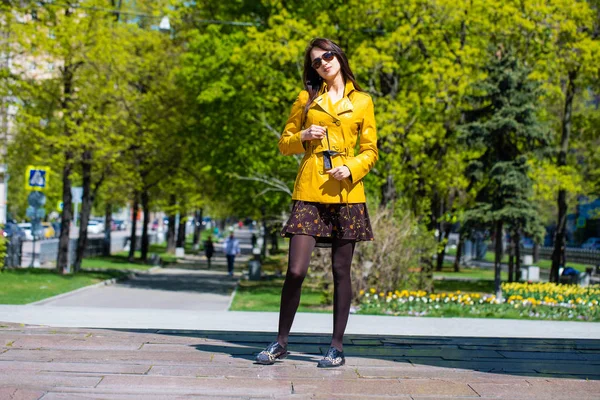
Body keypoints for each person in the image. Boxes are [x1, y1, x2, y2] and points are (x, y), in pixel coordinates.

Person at [256, 38, 378, 368]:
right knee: (295, 270)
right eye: (316, 61)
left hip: (347, 193)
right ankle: (281, 342)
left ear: (339, 57)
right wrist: (303, 137)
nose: (323, 63)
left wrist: (351, 168)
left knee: (341, 271)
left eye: (327, 56)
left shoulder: (363, 101)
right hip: (309, 189)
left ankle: (336, 347)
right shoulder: (306, 99)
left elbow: (371, 151)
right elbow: (284, 144)